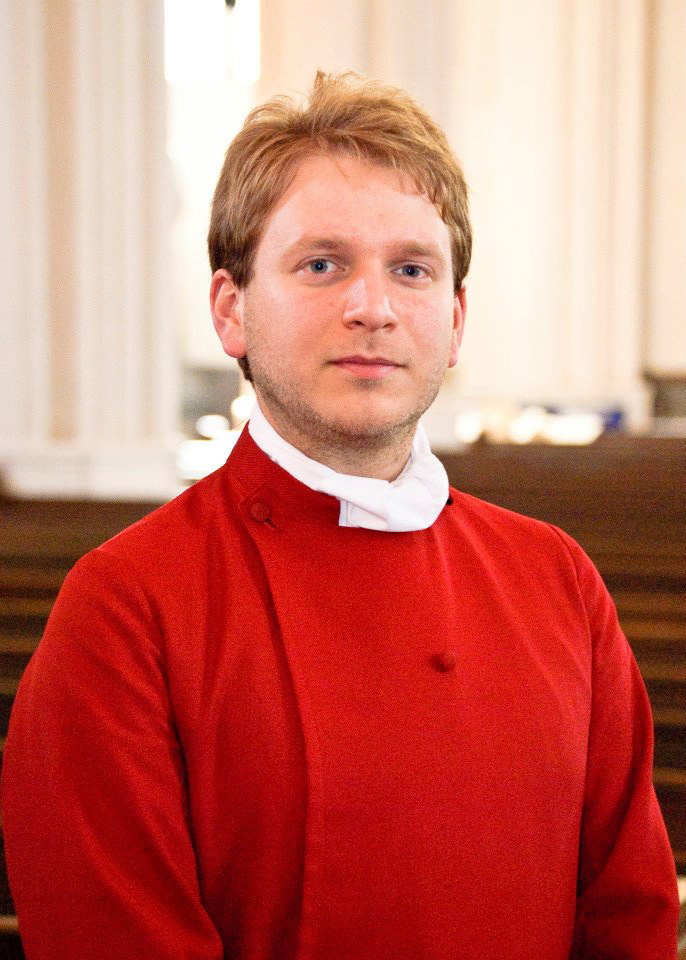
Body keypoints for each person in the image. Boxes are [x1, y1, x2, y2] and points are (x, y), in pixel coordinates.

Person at [1, 71, 679, 960]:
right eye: (322, 264)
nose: (373, 306)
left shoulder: (556, 580)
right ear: (231, 310)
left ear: (455, 319)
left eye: (411, 269)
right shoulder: (125, 609)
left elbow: (628, 916)